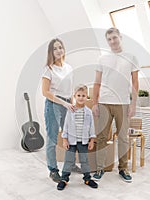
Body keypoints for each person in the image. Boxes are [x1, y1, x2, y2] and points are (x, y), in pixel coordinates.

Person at [92, 27, 139, 182]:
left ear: (120, 37)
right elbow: (97, 83)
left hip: (123, 103)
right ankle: (100, 169)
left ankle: (123, 169)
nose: (112, 41)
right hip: (104, 102)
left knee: (123, 138)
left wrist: (133, 104)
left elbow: (135, 83)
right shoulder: (102, 59)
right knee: (102, 137)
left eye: (114, 37)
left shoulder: (131, 57)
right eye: (109, 39)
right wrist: (95, 103)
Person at [42, 38, 80, 183]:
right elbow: (45, 92)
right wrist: (63, 103)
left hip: (67, 103)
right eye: (55, 48)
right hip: (53, 104)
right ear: (51, 52)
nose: (58, 50)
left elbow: (70, 89)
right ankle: (53, 170)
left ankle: (70, 164)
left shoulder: (69, 68)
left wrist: (73, 102)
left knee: (70, 136)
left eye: (60, 47)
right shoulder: (49, 69)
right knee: (52, 138)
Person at [57, 85, 98, 190]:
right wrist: (65, 140)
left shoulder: (88, 112)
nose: (81, 97)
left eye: (83, 95)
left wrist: (92, 140)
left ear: (87, 97)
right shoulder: (70, 110)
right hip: (71, 141)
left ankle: (87, 178)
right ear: (74, 96)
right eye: (78, 95)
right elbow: (65, 126)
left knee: (84, 160)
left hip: (83, 141)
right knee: (69, 160)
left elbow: (91, 127)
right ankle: (64, 179)